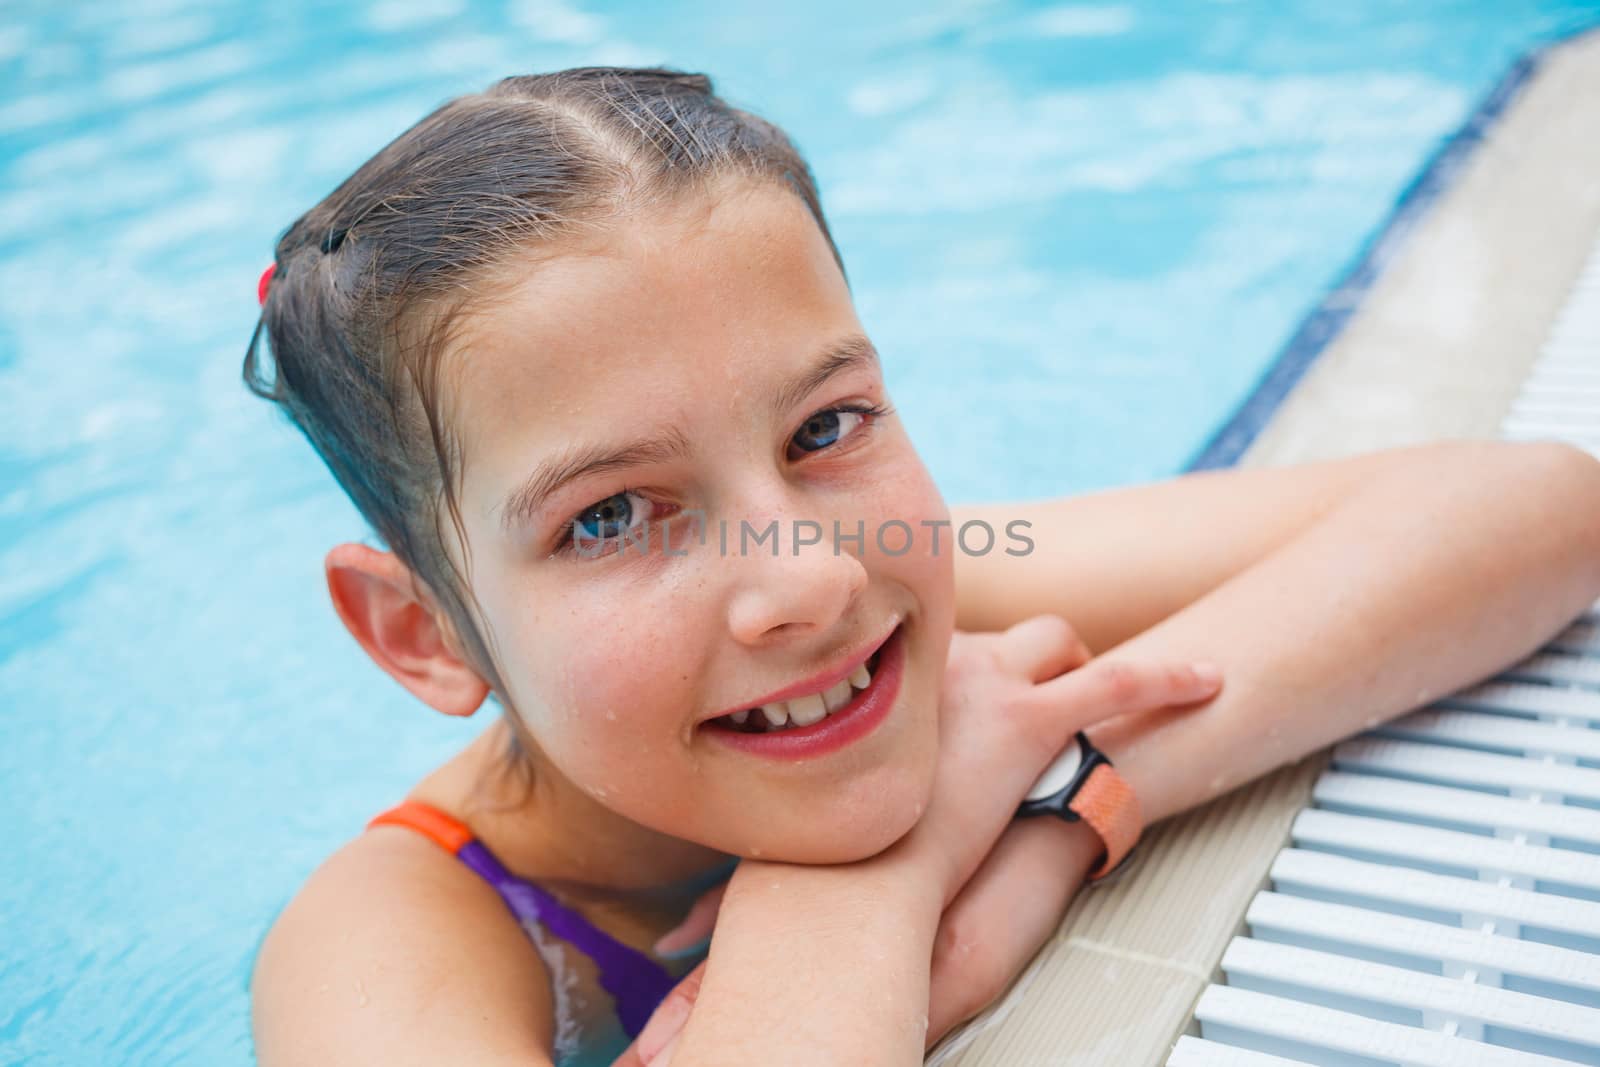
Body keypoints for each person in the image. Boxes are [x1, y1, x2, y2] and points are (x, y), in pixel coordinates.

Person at [243, 66, 1600, 1066]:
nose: (810, 580)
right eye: (609, 517)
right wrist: (875, 879)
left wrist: (1061, 797)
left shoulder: (902, 562)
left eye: (824, 428)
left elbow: (1537, 504)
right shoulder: (389, 938)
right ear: (424, 634)